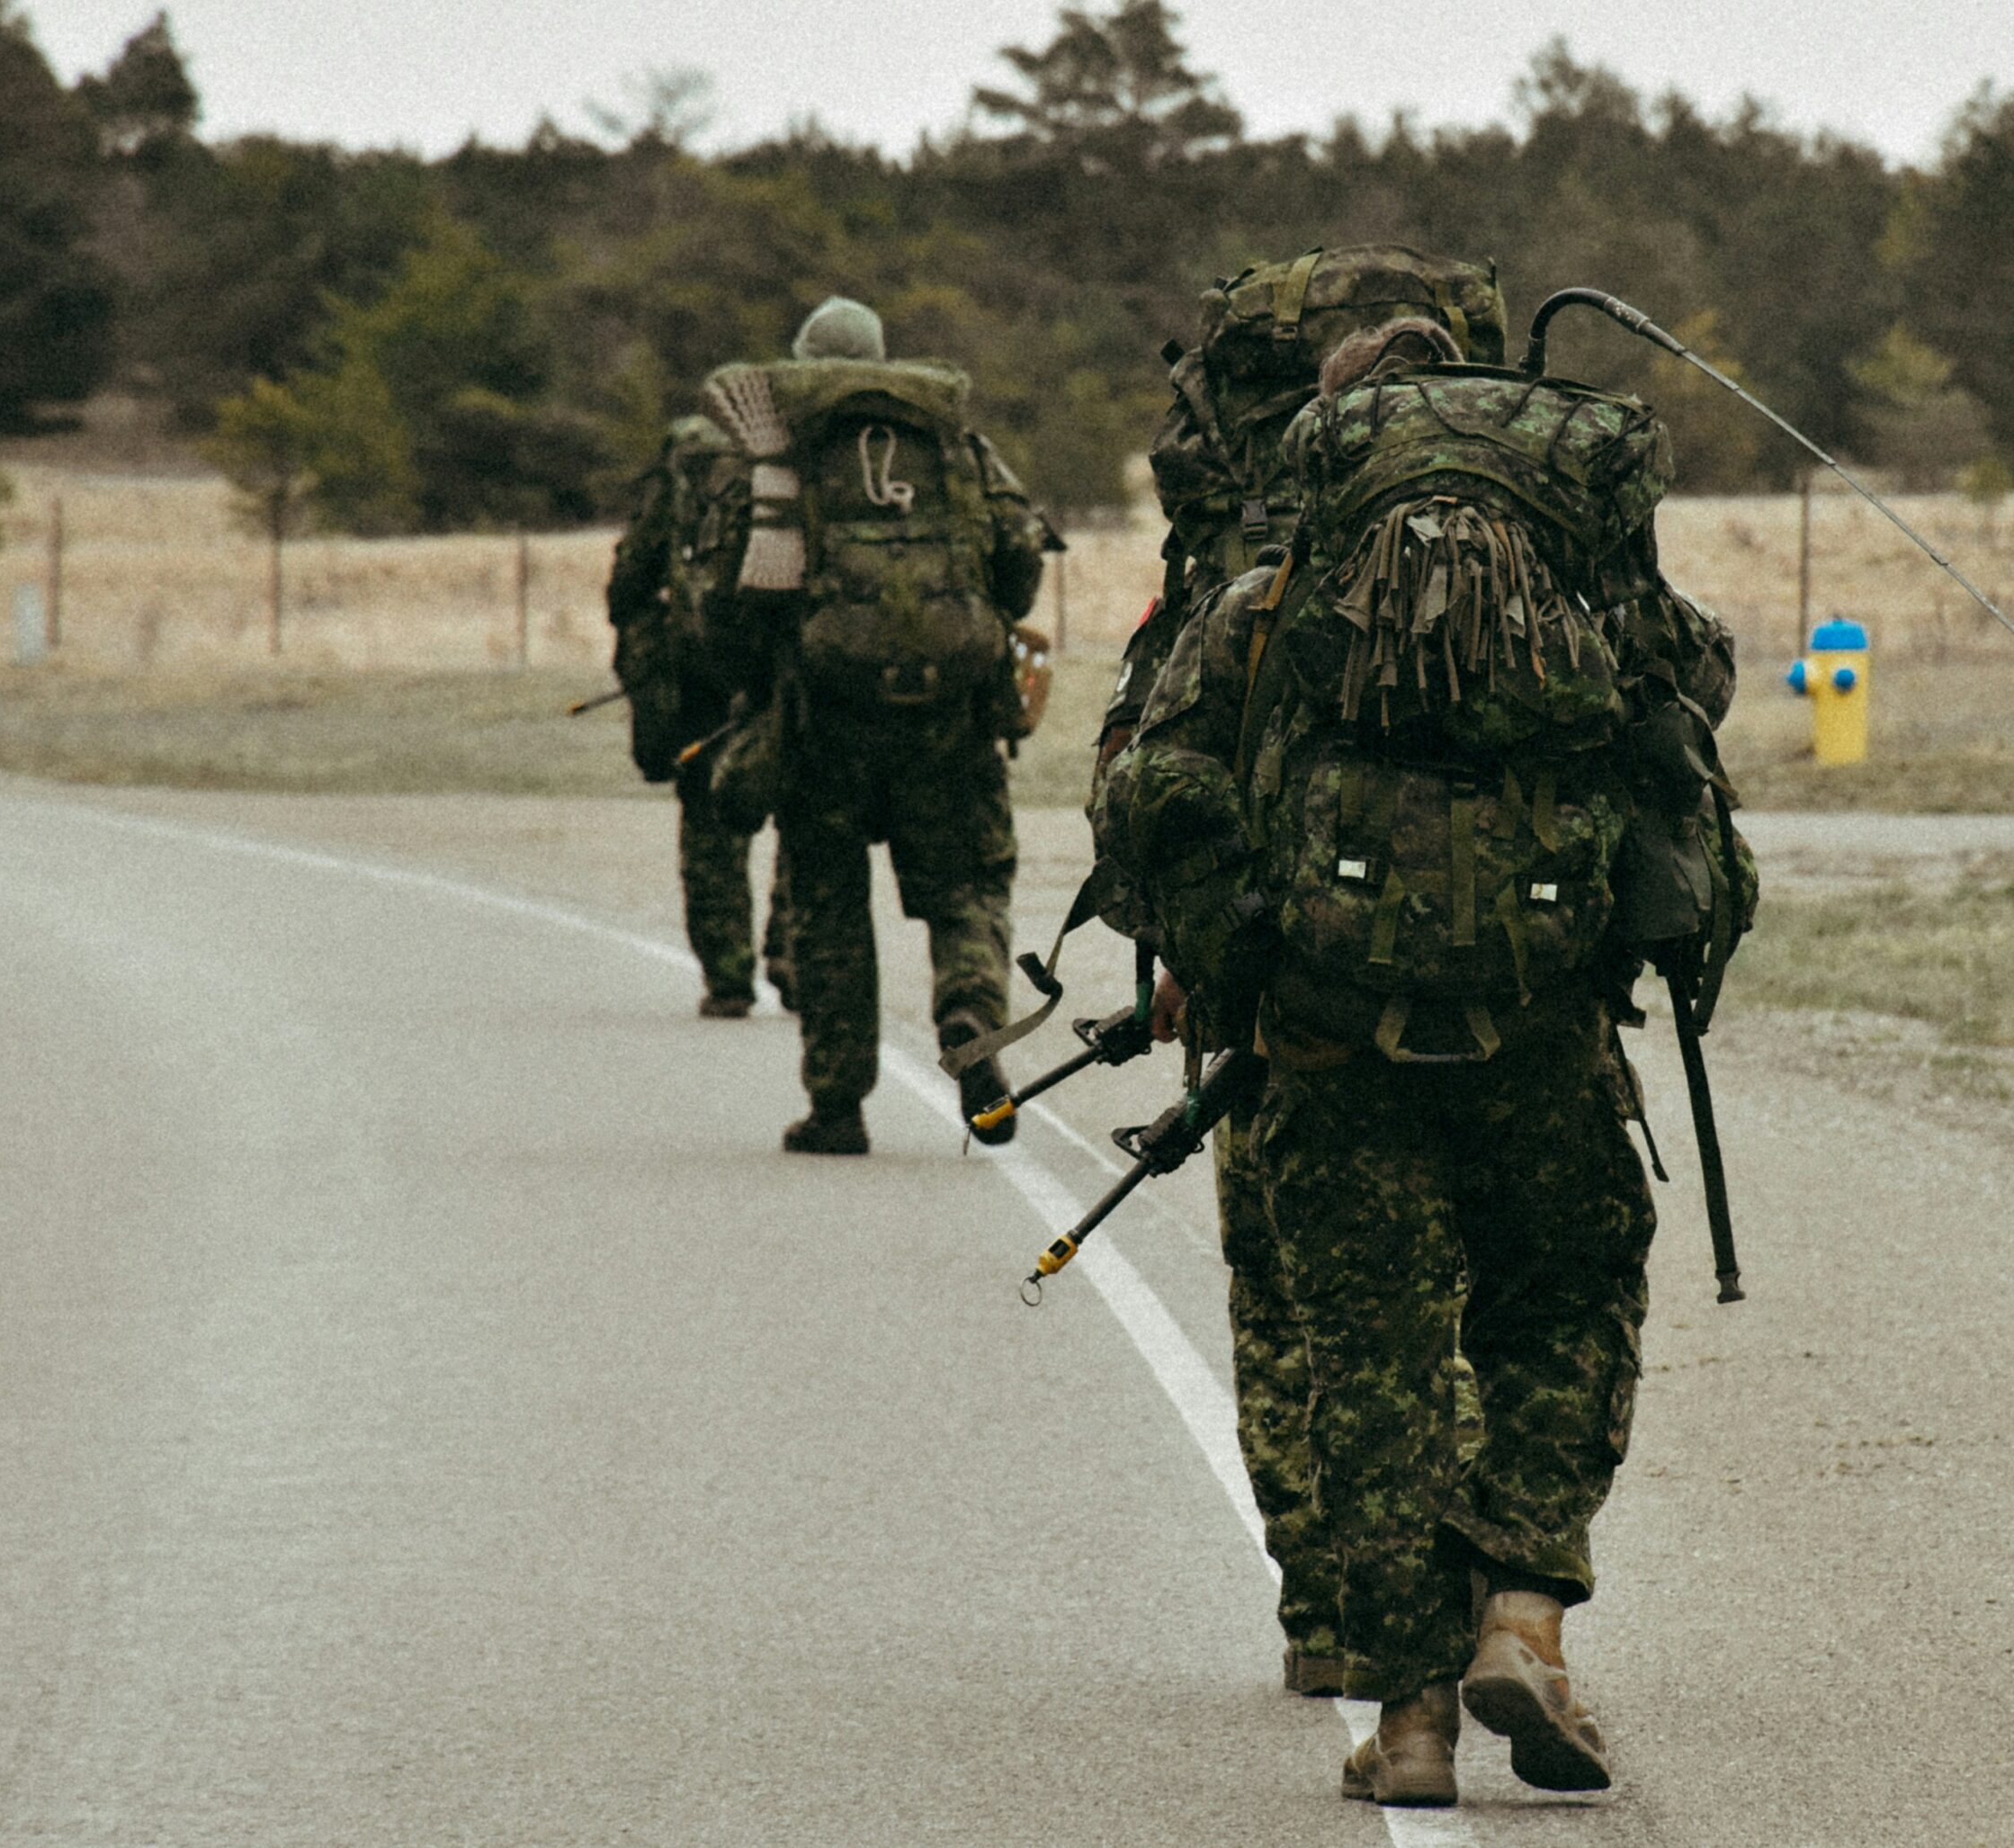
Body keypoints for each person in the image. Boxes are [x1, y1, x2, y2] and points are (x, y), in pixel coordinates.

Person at [1105, 315, 1755, 1807]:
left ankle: (1408, 1720)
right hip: (1542, 1029)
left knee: (1373, 1367)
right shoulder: (1590, 599)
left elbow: (1159, 782)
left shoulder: (1267, 606)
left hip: (1333, 1037)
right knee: (1566, 1301)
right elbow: (1692, 703)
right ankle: (1523, 1606)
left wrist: (1231, 947)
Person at [1087, 247, 1511, 1698]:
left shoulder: (1248, 573)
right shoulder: (1527, 555)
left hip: (1278, 974)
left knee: (1293, 1289)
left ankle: (1332, 1611)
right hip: (1494, 982)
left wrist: (1189, 949)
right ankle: (1458, 1601)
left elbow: (1145, 770)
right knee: (1446, 1292)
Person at [697, 296, 1052, 1154]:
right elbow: (1017, 563)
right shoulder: (952, 441)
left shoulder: (777, 452)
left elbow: (726, 606)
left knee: (827, 906)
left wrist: (756, 684)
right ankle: (971, 1020)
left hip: (823, 721)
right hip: (952, 720)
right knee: (968, 884)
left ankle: (837, 1105)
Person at [605, 413, 793, 1018]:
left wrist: (650, 649)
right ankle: (795, 950)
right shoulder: (781, 474)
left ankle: (729, 975)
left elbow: (627, 584)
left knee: (713, 832)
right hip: (782, 674)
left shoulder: (676, 484)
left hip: (701, 685)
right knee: (804, 813)